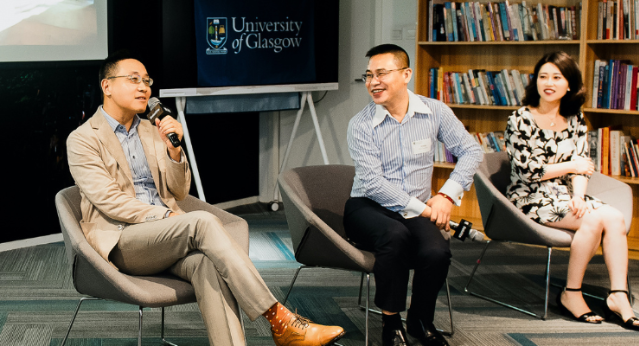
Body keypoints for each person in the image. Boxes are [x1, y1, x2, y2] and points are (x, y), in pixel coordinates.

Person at [66, 50, 345, 346]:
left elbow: (179, 192)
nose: (143, 87)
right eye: (133, 79)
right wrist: (167, 217)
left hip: (167, 237)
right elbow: (109, 200)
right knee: (200, 221)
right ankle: (280, 320)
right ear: (107, 86)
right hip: (124, 241)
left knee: (209, 265)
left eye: (147, 80)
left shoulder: (152, 130)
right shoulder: (83, 138)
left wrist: (174, 151)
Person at [345, 44, 483, 346]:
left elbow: (471, 150)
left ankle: (421, 320)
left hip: (418, 208)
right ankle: (391, 321)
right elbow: (372, 183)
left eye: (382, 73)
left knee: (437, 252)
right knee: (395, 237)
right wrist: (426, 210)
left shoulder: (434, 111)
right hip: (367, 207)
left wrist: (446, 196)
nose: (373, 82)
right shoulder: (361, 125)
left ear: (406, 74)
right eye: (369, 75)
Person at [505, 51, 639, 331]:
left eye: (557, 77)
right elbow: (528, 171)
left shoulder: (575, 118)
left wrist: (578, 196)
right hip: (530, 196)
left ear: (569, 85)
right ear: (536, 82)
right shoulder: (520, 119)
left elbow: (583, 167)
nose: (549, 82)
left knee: (614, 218)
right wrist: (570, 165)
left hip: (565, 195)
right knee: (595, 220)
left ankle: (618, 295)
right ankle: (571, 293)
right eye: (543, 76)